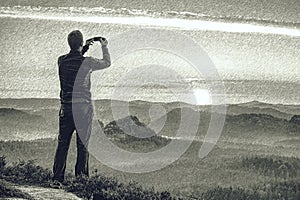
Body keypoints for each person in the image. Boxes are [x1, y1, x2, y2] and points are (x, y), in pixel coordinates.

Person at [51, 30, 111, 188]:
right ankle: (81, 180)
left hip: (66, 108)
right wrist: (104, 46)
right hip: (83, 108)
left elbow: (74, 57)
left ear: (69, 43)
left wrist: (82, 48)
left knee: (62, 144)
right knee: (82, 145)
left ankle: (57, 179)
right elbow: (107, 62)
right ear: (80, 43)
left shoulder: (61, 61)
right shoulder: (88, 62)